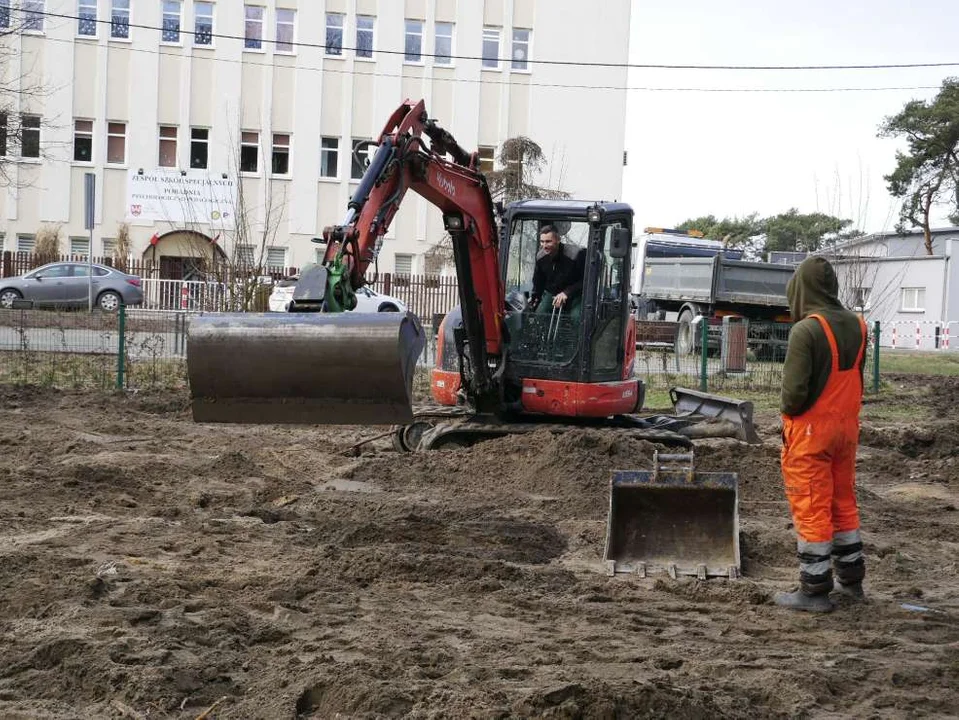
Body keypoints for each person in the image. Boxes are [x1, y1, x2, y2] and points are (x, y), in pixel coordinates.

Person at [776, 256, 868, 613]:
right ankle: (852, 581)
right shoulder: (858, 325)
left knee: (812, 506)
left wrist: (789, 418)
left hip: (811, 434)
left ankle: (813, 591)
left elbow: (793, 395)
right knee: (843, 503)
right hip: (846, 430)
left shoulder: (807, 330)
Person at [528, 225, 586, 316]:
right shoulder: (540, 257)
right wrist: (535, 299)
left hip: (576, 295)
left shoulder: (576, 255)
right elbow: (538, 282)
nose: (544, 246)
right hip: (553, 293)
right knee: (540, 314)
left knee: (577, 316)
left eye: (548, 242)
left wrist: (566, 292)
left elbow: (585, 280)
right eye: (542, 242)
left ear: (558, 240)